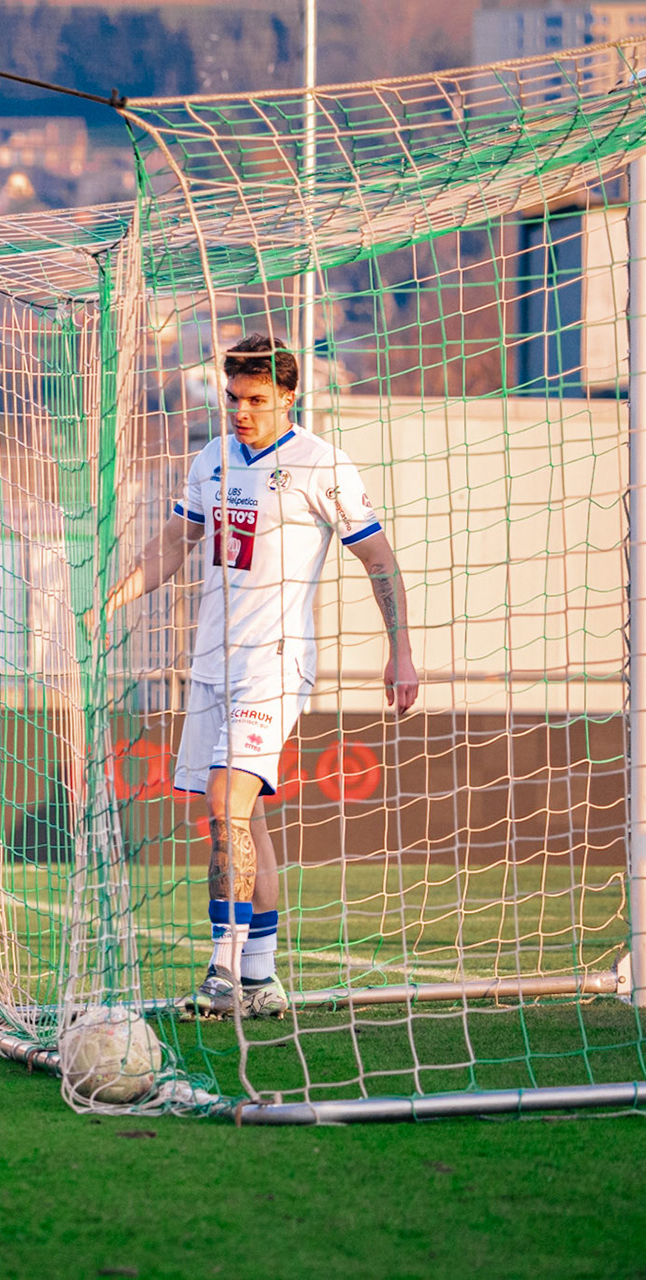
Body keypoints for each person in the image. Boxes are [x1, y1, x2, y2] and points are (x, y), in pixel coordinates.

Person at [106, 333, 419, 1018]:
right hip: (211, 664)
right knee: (241, 822)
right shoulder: (213, 459)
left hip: (277, 663)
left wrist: (401, 650)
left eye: (255, 400)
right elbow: (172, 544)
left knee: (225, 806)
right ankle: (260, 977)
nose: (241, 412)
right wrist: (108, 605)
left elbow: (381, 562)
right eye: (232, 399)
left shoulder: (321, 465)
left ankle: (220, 971)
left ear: (288, 396)